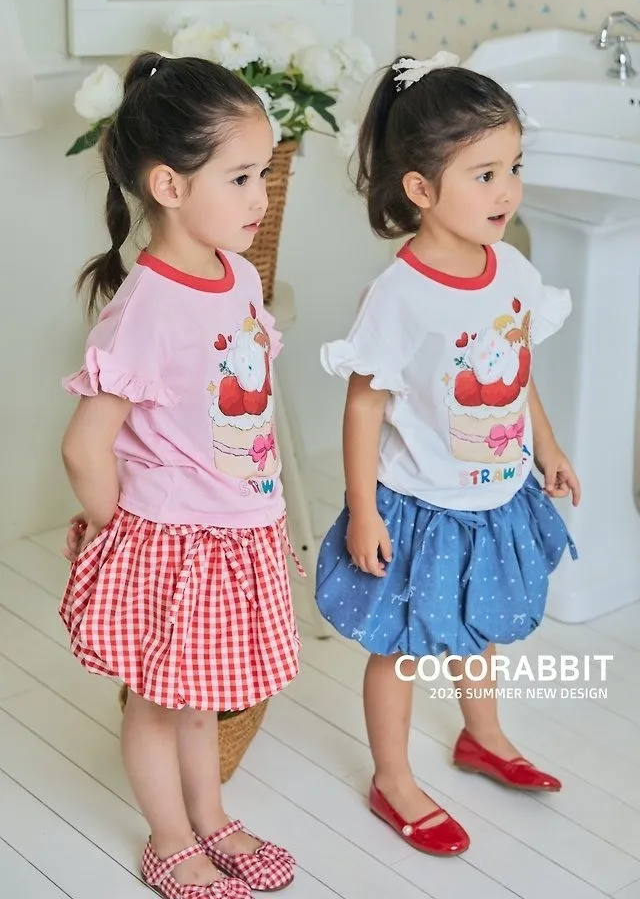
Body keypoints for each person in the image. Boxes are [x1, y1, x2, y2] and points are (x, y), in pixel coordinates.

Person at [315, 52, 580, 857]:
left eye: (514, 168)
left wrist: (547, 444)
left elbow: (517, 369)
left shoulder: (512, 270)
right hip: (421, 505)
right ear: (421, 190)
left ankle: (482, 736)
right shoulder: (400, 296)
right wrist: (363, 512)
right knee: (400, 647)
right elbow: (364, 406)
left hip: (493, 497)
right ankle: (393, 777)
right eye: (485, 174)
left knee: (482, 621)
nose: (508, 191)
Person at [60, 52, 299, 897]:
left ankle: (211, 816)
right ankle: (169, 838)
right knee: (158, 701)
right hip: (173, 540)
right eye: (240, 178)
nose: (260, 196)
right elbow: (85, 447)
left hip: (236, 528)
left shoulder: (238, 275)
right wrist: (116, 537)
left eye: (262, 174)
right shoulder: (148, 307)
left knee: (202, 692)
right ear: (168, 185)